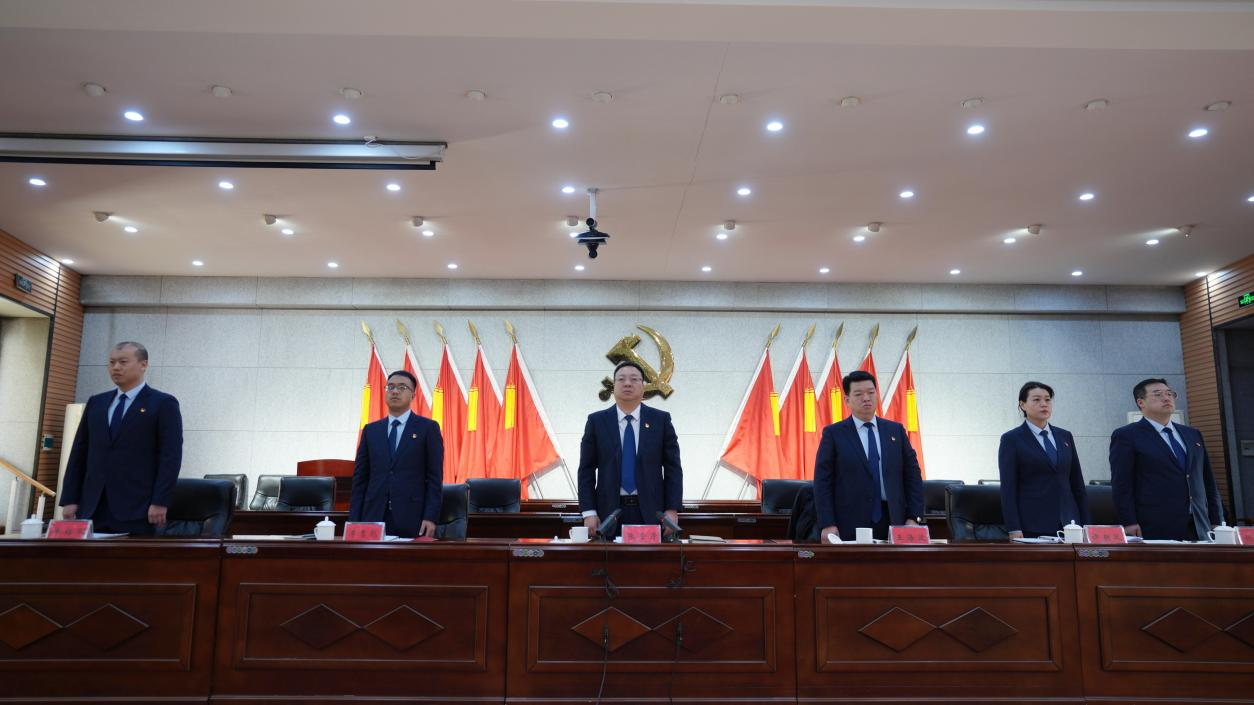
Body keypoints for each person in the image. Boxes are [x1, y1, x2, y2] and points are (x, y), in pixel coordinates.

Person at [60, 341, 182, 534]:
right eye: (112, 362)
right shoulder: (97, 403)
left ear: (143, 365)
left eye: (123, 362)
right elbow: (79, 453)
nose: (116, 367)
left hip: (138, 507)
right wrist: (70, 498)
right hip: (92, 506)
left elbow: (170, 457)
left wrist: (160, 501)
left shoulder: (163, 403)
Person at [815, 370, 923, 542]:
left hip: (894, 519)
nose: (866, 398)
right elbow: (823, 481)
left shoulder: (895, 431)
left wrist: (914, 517)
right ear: (847, 400)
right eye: (858, 394)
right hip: (849, 521)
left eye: (871, 392)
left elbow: (913, 476)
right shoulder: (834, 434)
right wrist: (827, 523)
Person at [578, 361, 683, 537]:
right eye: (621, 379)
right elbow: (586, 470)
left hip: (652, 513)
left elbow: (673, 468)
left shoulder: (661, 420)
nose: (627, 383)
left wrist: (672, 509)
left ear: (643, 386)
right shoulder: (596, 421)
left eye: (634, 379)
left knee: (650, 556)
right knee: (608, 555)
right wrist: (589, 512)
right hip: (607, 514)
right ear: (613, 386)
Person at [1110, 378, 1222, 540]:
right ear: (1141, 402)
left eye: (1169, 394)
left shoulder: (1192, 434)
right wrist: (1129, 521)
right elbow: (1122, 483)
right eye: (1158, 394)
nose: (1166, 398)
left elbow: (1208, 480)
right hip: (1155, 524)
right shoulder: (1127, 435)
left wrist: (1216, 519)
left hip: (1199, 523)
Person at [350, 370, 444, 538]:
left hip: (412, 516)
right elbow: (360, 479)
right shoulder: (371, 430)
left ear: (413, 395)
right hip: (373, 516)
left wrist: (430, 517)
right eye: (390, 387)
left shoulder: (428, 428)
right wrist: (354, 520)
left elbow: (434, 478)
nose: (395, 391)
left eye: (402, 387)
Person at [998, 381, 1089, 539]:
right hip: (1032, 523)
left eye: (1047, 400)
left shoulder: (1065, 436)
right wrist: (1014, 528)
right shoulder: (1011, 439)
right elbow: (1008, 488)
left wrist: (1087, 524)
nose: (1044, 404)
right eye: (1036, 400)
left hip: (1070, 523)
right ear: (1022, 405)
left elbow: (1077, 484)